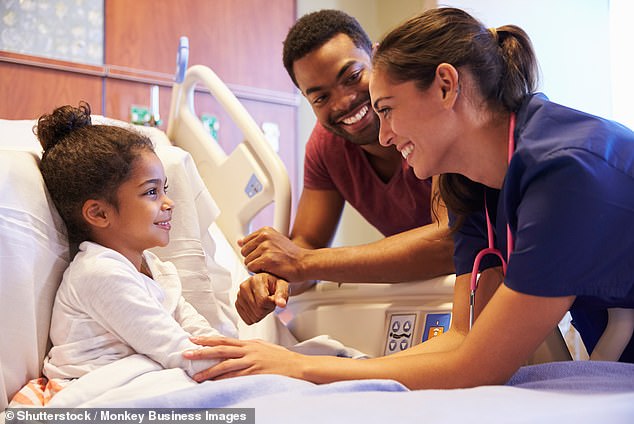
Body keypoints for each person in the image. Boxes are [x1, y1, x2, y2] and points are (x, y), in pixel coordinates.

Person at [185, 7, 634, 388]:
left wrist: (303, 368)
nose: (381, 134)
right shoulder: (473, 184)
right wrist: (342, 369)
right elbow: (463, 338)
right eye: (319, 96)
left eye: (387, 109)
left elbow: (480, 363)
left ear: (445, 85)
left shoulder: (566, 171)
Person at [235, 9, 454, 325]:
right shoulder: (326, 148)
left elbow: (448, 241)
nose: (342, 102)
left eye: (352, 77)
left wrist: (303, 262)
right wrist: (275, 278)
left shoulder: (432, 115)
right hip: (432, 296)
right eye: (320, 97)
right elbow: (307, 242)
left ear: (377, 57)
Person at [37, 102, 222, 381]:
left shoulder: (155, 268)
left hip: (146, 380)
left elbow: (200, 335)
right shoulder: (98, 273)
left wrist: (244, 354)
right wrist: (258, 367)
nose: (169, 203)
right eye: (151, 192)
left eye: (165, 189)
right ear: (99, 213)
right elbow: (181, 352)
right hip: (101, 390)